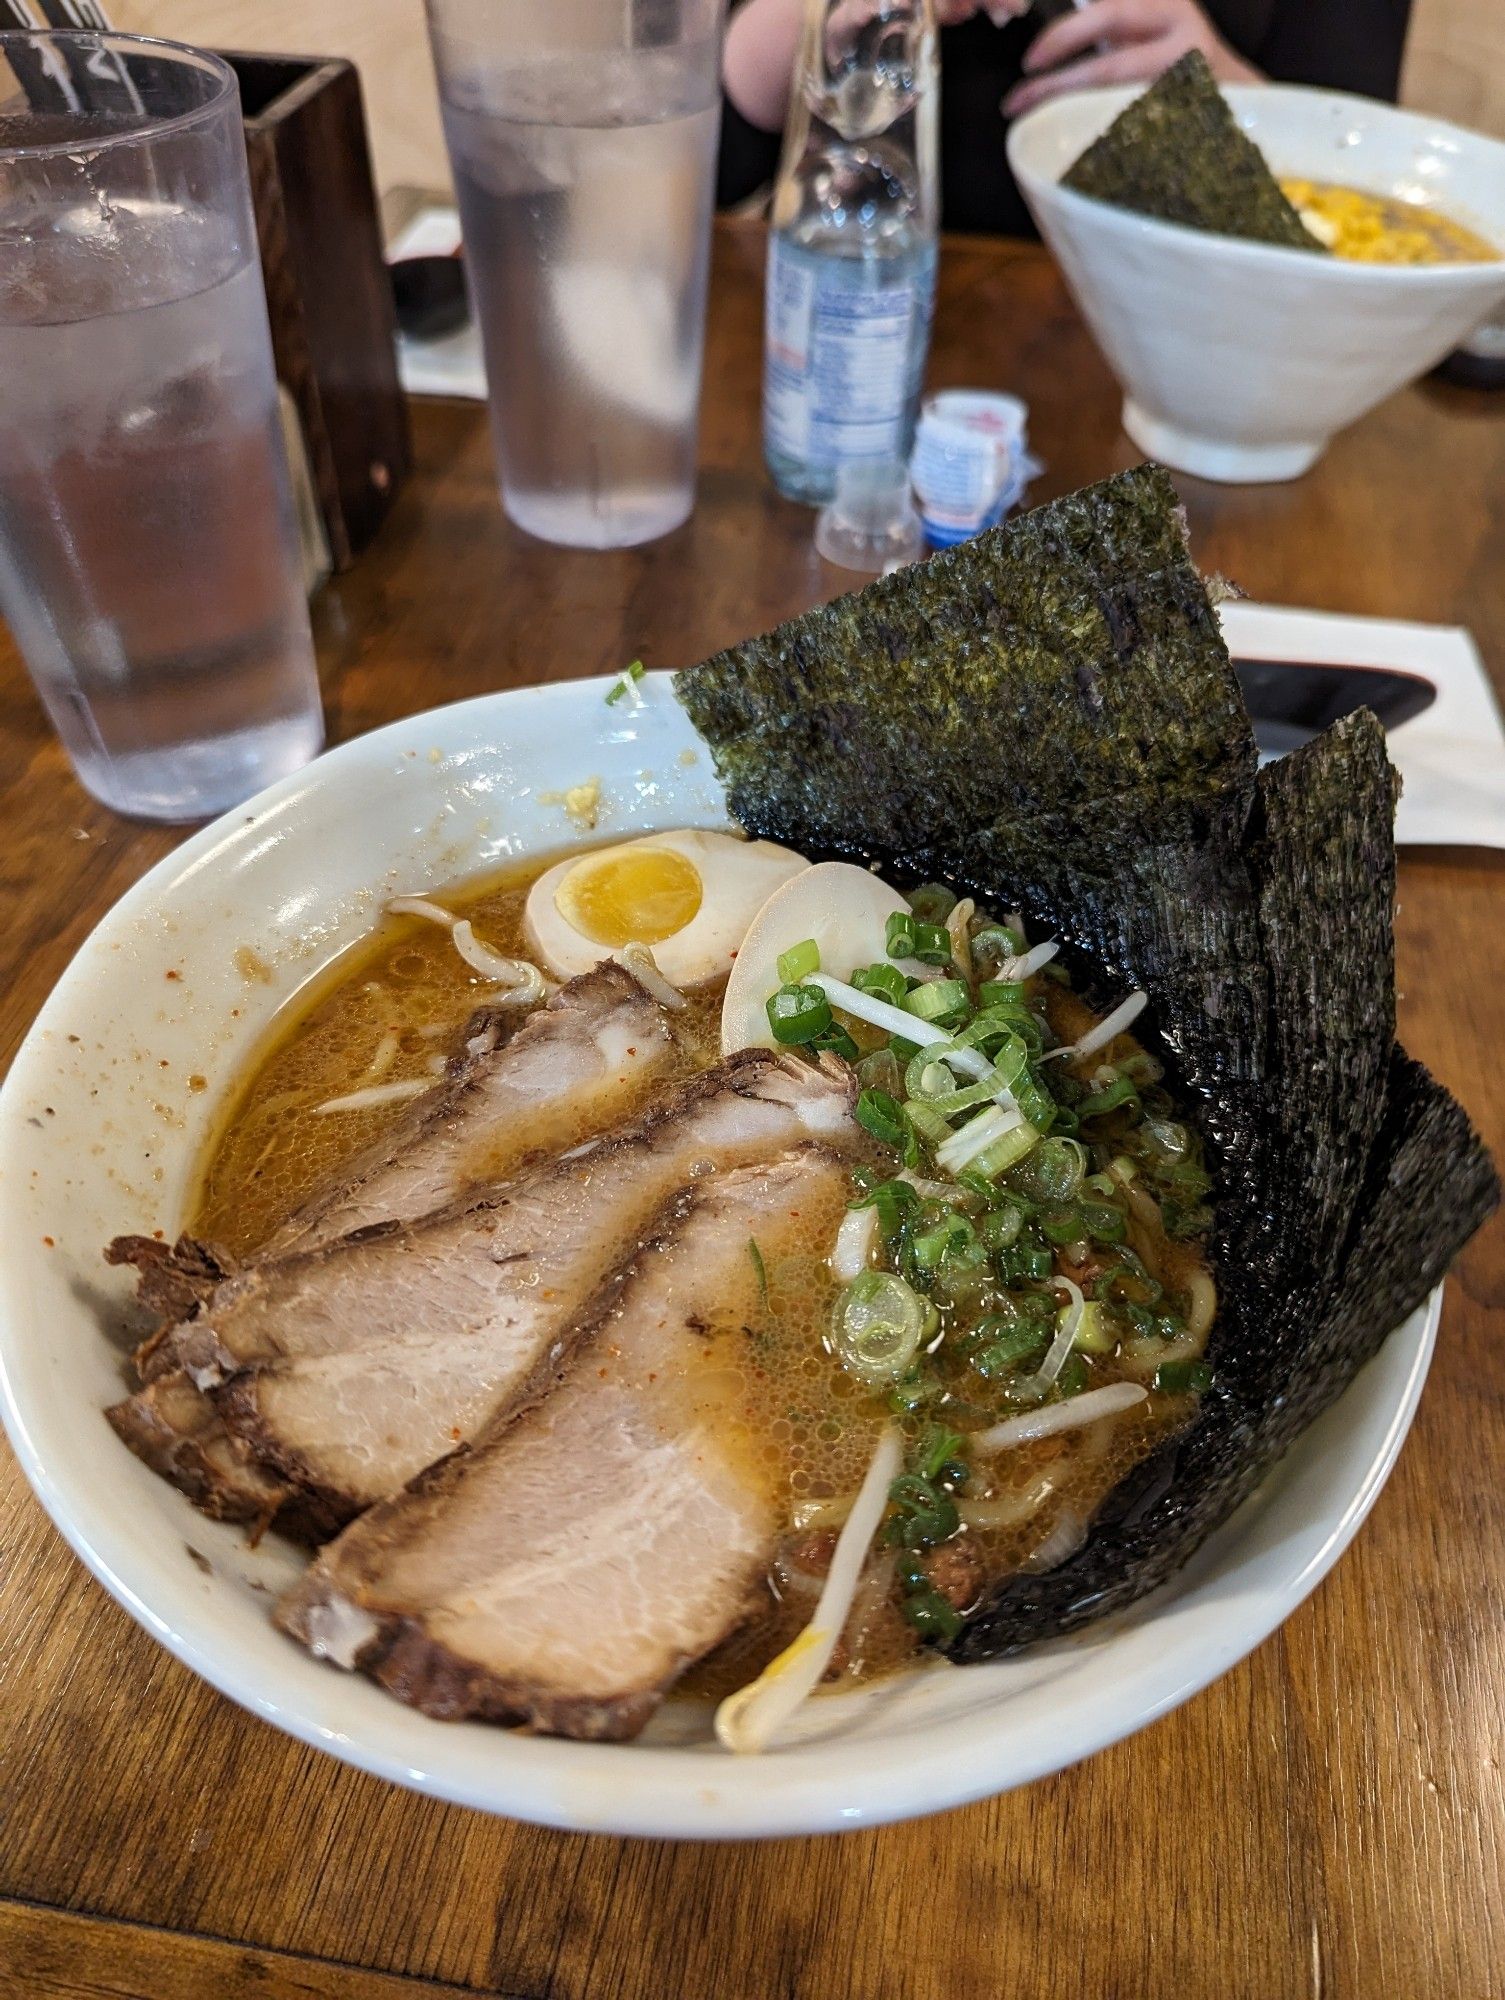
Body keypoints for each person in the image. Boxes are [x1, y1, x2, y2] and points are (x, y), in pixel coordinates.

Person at [718, 0, 1416, 235]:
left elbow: (1364, 193)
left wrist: (1232, 102)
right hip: (855, 331)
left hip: (1204, 364)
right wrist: (828, 21)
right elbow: (710, 158)